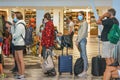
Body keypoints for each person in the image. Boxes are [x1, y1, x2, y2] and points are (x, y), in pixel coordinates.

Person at [12, 12, 26, 79]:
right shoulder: (16, 24)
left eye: (14, 16)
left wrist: (13, 35)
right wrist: (12, 26)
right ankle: (20, 73)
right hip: (16, 43)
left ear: (17, 16)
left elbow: (15, 35)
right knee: (17, 59)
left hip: (19, 43)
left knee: (20, 59)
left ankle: (22, 74)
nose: (13, 17)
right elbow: (13, 33)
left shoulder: (20, 25)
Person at [75, 11, 88, 77]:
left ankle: (85, 70)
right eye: (78, 15)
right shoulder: (81, 23)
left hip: (82, 40)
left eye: (80, 15)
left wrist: (78, 40)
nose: (79, 16)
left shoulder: (85, 23)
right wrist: (76, 40)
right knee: (81, 55)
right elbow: (79, 33)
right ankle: (83, 68)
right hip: (80, 41)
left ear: (83, 15)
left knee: (83, 55)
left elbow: (83, 34)